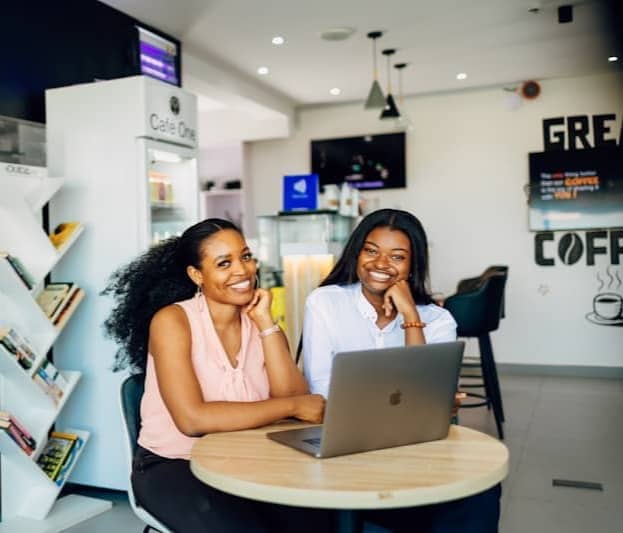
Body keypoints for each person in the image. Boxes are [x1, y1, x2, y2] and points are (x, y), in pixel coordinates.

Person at [103, 218, 332, 533]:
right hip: (175, 465)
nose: (242, 270)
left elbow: (295, 398)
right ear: (197, 275)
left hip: (248, 457)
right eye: (224, 263)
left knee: (320, 519)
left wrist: (266, 324)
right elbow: (192, 420)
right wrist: (291, 408)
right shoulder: (173, 321)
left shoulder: (257, 321)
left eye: (246, 256)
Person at [302, 208, 501, 533]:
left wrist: (410, 315)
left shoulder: (438, 321)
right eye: (371, 251)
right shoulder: (325, 303)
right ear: (356, 253)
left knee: (480, 494)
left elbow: (426, 402)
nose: (381, 264)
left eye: (397, 256)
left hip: (417, 447)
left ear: (413, 265)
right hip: (346, 446)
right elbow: (321, 390)